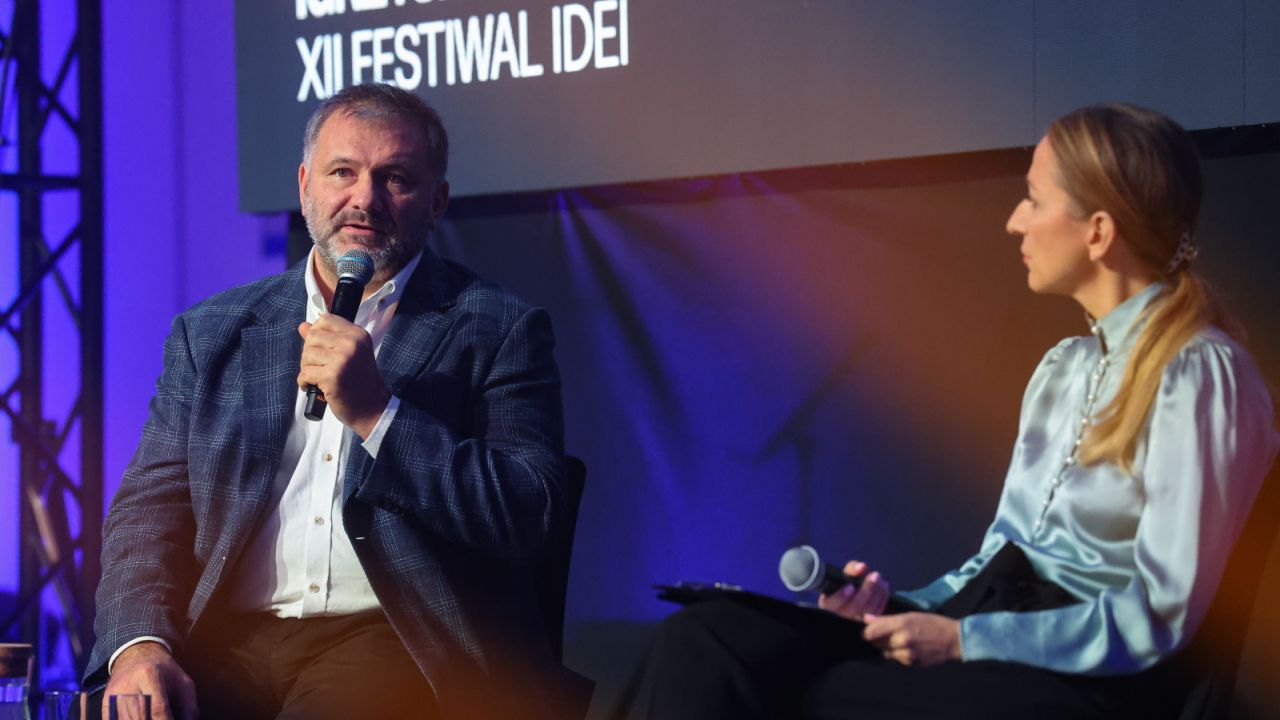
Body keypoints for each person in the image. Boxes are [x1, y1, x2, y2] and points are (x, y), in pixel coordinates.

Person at [620, 103, 1278, 719]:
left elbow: (1159, 613)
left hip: (1090, 679)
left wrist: (965, 640)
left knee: (823, 692)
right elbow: (998, 558)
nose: (1014, 221)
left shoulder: (1201, 373)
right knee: (707, 637)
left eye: (1034, 199)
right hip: (992, 639)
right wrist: (895, 609)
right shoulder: (1063, 368)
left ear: (1098, 232)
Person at [84, 83, 590, 720]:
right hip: (222, 639)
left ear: (436, 202)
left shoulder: (497, 328)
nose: (365, 199)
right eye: (342, 172)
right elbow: (149, 511)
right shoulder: (211, 332)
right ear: (305, 186)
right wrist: (139, 645)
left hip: (397, 639)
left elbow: (531, 514)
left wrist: (380, 414)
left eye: (395, 178)